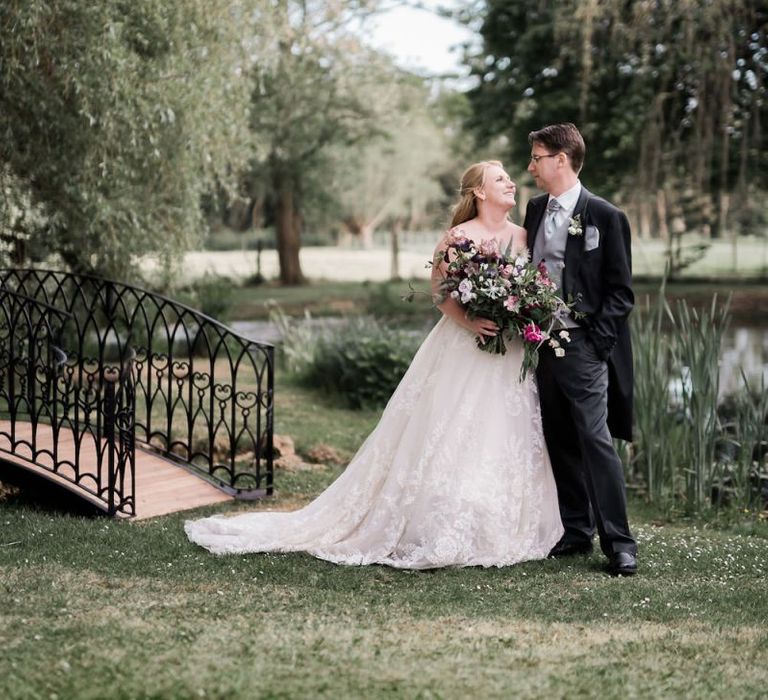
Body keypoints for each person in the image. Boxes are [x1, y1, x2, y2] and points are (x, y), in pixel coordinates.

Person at [185, 160, 564, 569]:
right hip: (464, 348)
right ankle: (438, 524)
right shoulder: (458, 238)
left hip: (507, 354)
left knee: (500, 431)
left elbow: (535, 285)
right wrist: (472, 319)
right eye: (500, 179)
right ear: (479, 193)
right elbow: (440, 293)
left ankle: (493, 522)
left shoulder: (523, 236)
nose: (511, 182)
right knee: (451, 431)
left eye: (509, 177)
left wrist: (519, 313)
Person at [523, 123, 638, 576]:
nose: (530, 166)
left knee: (594, 438)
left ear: (561, 160)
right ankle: (576, 530)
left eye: (536, 157)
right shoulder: (533, 211)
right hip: (538, 345)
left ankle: (620, 543)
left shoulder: (605, 216)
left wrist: (594, 343)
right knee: (558, 435)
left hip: (583, 345)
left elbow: (621, 293)